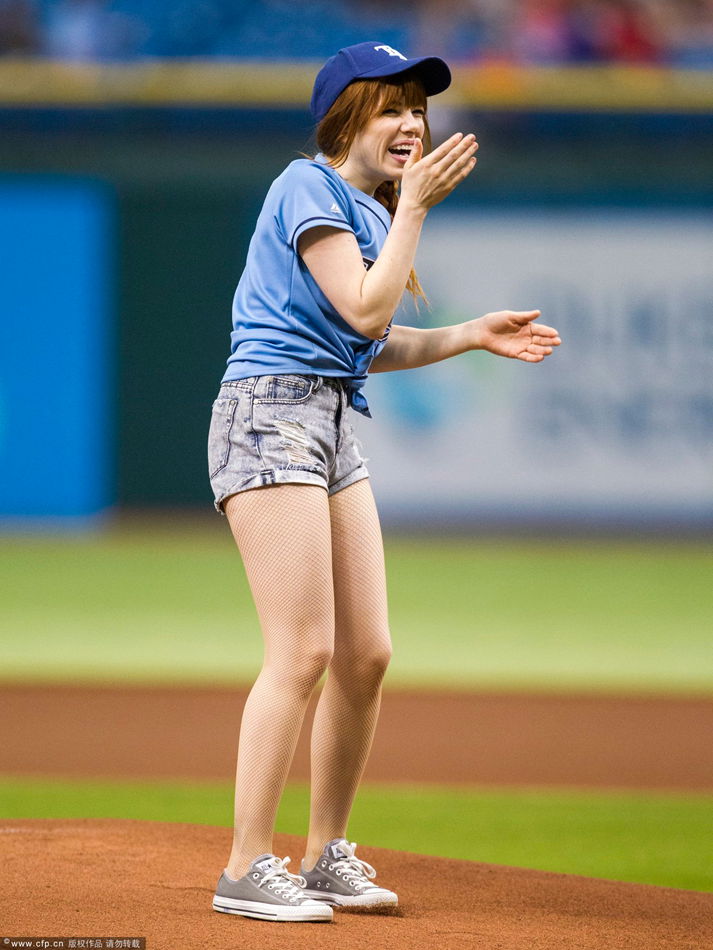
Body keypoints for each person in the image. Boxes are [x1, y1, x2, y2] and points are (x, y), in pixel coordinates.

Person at [208, 41, 561, 925]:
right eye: (390, 106)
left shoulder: (368, 211)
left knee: (366, 654)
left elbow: (371, 341)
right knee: (303, 652)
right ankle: (246, 864)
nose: (410, 123)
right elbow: (365, 309)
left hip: (330, 420)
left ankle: (324, 854)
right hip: (269, 412)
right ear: (345, 115)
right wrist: (411, 208)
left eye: (417, 109)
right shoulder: (306, 186)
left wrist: (471, 333)